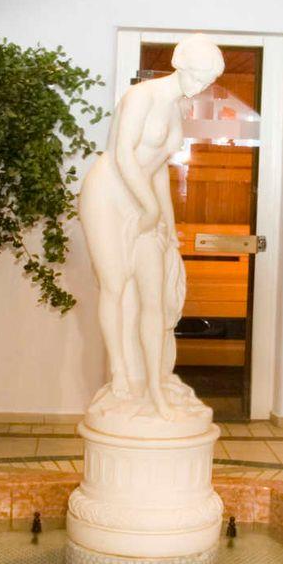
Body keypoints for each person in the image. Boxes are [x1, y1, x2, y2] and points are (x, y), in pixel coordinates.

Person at [78, 35, 225, 422]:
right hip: (109, 193)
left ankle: (155, 384)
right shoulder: (141, 96)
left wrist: (167, 224)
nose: (202, 85)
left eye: (209, 79)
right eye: (200, 75)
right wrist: (148, 207)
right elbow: (123, 154)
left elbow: (157, 168)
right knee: (114, 284)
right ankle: (121, 373)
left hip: (141, 196)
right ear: (181, 65)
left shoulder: (176, 108)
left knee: (152, 295)